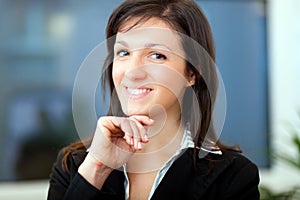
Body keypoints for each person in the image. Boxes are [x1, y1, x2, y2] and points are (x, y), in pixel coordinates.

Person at [47, 0, 260, 199]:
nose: (133, 72)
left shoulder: (233, 178)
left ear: (192, 73)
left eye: (157, 55)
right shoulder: (75, 165)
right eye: (123, 52)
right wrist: (97, 169)